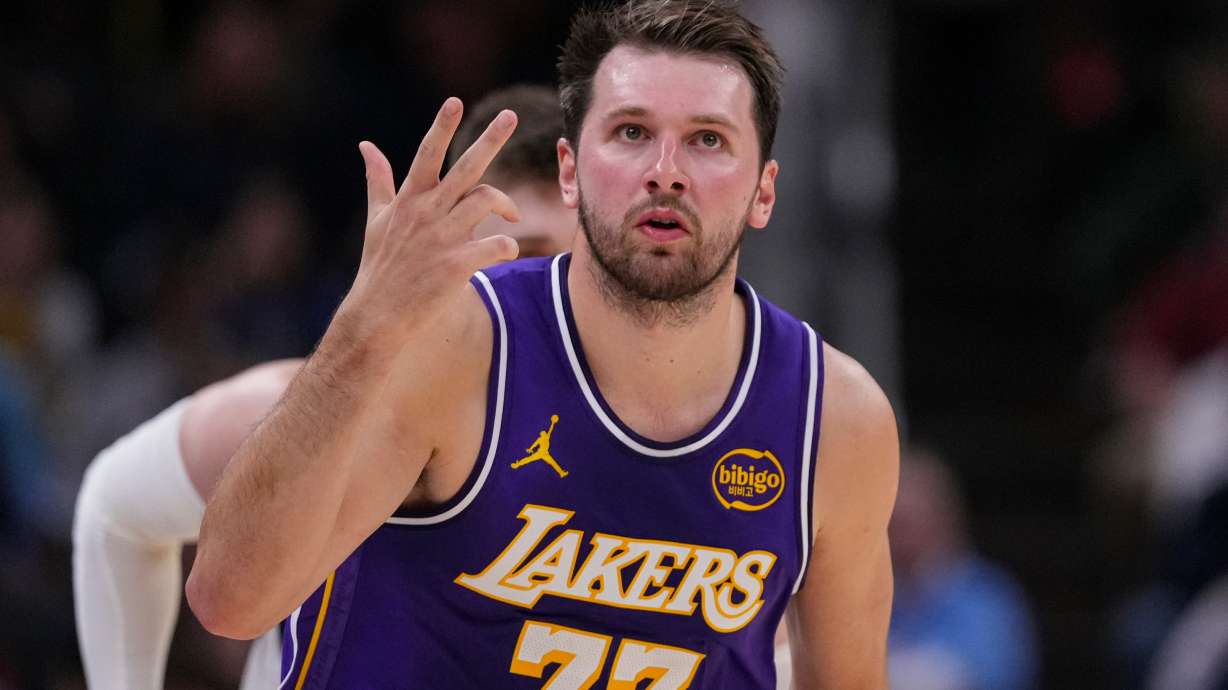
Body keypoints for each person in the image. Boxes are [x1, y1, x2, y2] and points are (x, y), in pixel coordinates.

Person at [187, 1, 899, 688]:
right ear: (568, 171)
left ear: (764, 192)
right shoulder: (451, 341)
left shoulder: (835, 419)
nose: (666, 171)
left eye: (708, 139)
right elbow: (228, 600)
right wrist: (361, 328)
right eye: (630, 132)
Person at [71, 83, 574, 690]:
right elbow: (114, 509)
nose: (534, 288)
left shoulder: (646, 441)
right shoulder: (303, 421)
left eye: (559, 263)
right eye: (510, 257)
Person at [887, 447, 1038, 690]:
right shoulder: (866, 598)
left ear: (945, 518)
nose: (900, 539)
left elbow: (994, 676)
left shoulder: (989, 599)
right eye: (892, 525)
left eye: (908, 523)